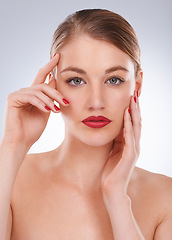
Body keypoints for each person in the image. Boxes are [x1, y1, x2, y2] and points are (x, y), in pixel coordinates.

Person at [0, 8, 172, 240]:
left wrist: (117, 198)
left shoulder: (165, 198)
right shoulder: (10, 180)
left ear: (137, 85)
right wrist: (13, 144)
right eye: (76, 80)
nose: (96, 102)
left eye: (114, 80)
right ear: (53, 85)